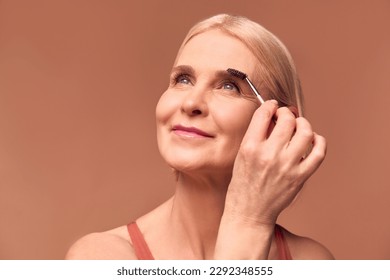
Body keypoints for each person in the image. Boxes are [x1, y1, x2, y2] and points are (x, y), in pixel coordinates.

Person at [66, 14, 334, 260]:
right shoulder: (100, 256)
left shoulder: (310, 262)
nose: (192, 102)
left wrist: (249, 221)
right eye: (183, 79)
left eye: (229, 86)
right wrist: (247, 222)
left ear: (280, 124)